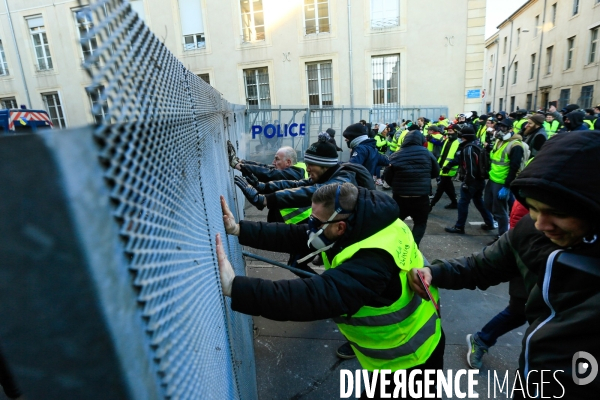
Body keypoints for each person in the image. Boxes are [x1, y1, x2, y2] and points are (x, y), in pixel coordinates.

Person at [408, 131, 600, 398]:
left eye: (558, 213)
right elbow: (483, 265)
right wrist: (435, 271)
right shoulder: (530, 231)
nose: (541, 224)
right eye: (533, 207)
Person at [217, 182, 445, 398]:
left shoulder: (371, 263)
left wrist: (235, 287)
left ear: (340, 227)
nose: (311, 227)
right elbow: (296, 235)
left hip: (410, 358)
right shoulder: (369, 223)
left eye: (316, 222)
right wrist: (239, 230)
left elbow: (311, 298)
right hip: (404, 348)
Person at [234, 133, 374, 225]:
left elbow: (315, 191)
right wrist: (262, 187)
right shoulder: (326, 174)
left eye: (311, 165)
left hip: (363, 231)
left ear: (325, 166)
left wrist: (264, 200)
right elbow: (297, 184)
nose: (307, 169)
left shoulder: (343, 179)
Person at [384, 131, 440, 246]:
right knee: (420, 223)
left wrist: (395, 185)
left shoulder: (396, 154)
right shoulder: (427, 154)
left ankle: (396, 245)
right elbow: (436, 172)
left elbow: (387, 175)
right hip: (421, 196)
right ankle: (413, 246)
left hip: (400, 196)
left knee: (396, 222)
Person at [444, 127, 496, 234]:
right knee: (478, 201)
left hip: (472, 181)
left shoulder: (468, 149)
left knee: (463, 203)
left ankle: (459, 227)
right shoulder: (476, 145)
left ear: (465, 137)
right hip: (479, 180)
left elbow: (471, 168)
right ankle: (489, 222)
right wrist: (449, 165)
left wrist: (467, 183)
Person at [484, 119, 525, 241]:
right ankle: (504, 224)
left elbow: (514, 167)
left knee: (499, 210)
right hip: (493, 178)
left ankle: (502, 236)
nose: (500, 129)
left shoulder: (515, 145)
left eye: (504, 127)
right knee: (487, 203)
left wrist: (507, 186)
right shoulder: (500, 140)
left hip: (502, 182)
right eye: (499, 127)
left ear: (511, 129)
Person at [228, 142, 307, 182]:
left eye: (277, 159)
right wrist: (242, 162)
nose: (273, 162)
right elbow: (266, 167)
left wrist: (237, 165)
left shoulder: (295, 175)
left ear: (288, 162)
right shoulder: (296, 168)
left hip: (290, 214)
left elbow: (268, 173)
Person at [429, 124, 459, 211]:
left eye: (450, 131)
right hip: (442, 167)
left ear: (456, 132)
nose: (448, 133)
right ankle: (454, 202)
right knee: (448, 187)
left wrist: (448, 166)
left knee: (441, 188)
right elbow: (442, 155)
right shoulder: (447, 141)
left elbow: (457, 158)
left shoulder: (457, 143)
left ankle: (430, 205)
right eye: (448, 131)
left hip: (449, 169)